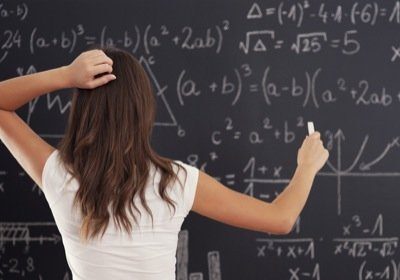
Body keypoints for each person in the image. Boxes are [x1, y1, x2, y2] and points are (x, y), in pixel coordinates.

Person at [0, 47, 329, 279]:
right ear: (144, 110)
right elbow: (281, 219)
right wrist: (306, 166)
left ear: (83, 109)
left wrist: (67, 76)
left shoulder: (59, 176)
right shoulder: (175, 181)